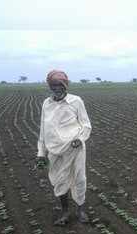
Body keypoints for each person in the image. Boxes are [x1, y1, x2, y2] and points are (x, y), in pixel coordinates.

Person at [36, 70, 92, 225]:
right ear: (49, 87)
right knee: (59, 181)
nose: (57, 88)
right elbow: (43, 130)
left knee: (79, 178)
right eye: (53, 86)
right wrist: (41, 152)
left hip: (74, 148)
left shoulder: (76, 101)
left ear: (65, 85)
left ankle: (81, 210)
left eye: (60, 85)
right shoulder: (46, 104)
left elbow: (86, 125)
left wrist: (80, 139)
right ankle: (65, 211)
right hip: (54, 149)